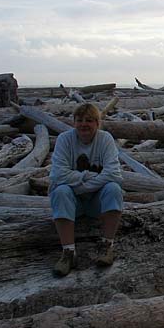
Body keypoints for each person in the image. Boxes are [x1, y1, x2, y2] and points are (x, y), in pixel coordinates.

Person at [49, 103, 124, 276]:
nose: (84, 124)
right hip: (72, 203)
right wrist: (87, 176)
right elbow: (57, 176)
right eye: (80, 120)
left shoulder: (105, 139)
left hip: (95, 203)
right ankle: (68, 252)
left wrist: (80, 185)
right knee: (60, 191)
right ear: (74, 122)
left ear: (97, 123)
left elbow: (114, 174)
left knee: (113, 188)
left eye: (89, 120)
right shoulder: (64, 139)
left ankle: (107, 246)